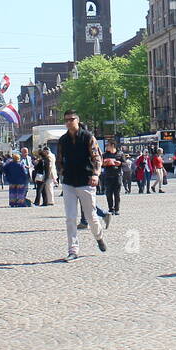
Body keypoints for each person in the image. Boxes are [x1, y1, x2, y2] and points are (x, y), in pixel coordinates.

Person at [56, 110, 109, 261]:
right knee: (70, 217)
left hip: (86, 180)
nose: (68, 122)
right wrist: (61, 172)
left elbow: (97, 157)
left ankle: (99, 237)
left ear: (77, 120)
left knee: (91, 216)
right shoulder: (63, 140)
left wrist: (95, 174)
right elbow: (59, 159)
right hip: (69, 182)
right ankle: (73, 249)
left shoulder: (87, 137)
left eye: (71, 119)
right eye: (66, 120)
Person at [100, 144, 123, 215]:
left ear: (112, 146)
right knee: (108, 194)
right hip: (108, 176)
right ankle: (111, 209)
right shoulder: (105, 154)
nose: (106, 147)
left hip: (117, 176)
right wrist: (104, 163)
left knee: (117, 194)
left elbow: (125, 163)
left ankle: (117, 209)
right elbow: (100, 163)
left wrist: (120, 163)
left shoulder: (120, 153)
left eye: (108, 146)